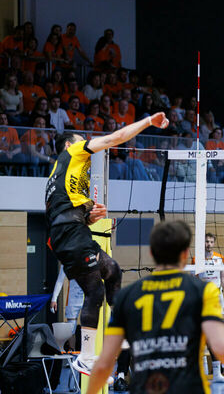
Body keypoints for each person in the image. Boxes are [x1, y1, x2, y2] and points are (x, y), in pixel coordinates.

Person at [46, 112, 169, 376]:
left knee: (112, 270)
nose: (85, 143)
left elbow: (63, 211)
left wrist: (89, 215)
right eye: (80, 140)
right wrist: (149, 121)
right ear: (69, 144)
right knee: (95, 290)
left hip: (70, 232)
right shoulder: (73, 153)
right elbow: (116, 137)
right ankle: (86, 357)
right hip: (69, 234)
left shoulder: (62, 176)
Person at [85, 220, 224, 394]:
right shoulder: (203, 292)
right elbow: (221, 346)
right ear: (185, 254)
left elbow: (104, 363)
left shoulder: (126, 296)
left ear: (152, 253)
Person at [198, 232, 224, 382]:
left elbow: (223, 277)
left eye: (211, 242)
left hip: (217, 297)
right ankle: (203, 368)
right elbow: (193, 279)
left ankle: (222, 369)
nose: (209, 244)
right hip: (202, 298)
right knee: (201, 331)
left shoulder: (219, 258)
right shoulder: (197, 258)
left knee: (219, 330)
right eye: (207, 241)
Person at [50, 264, 84, 337]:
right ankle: (71, 345)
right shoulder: (66, 261)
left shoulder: (89, 258)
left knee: (87, 328)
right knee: (71, 330)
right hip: (73, 300)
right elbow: (60, 280)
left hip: (87, 298)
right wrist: (54, 299)